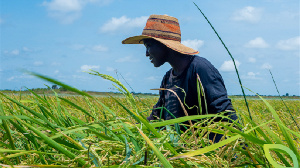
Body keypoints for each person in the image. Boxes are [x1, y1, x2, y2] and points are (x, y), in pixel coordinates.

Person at [122, 14, 237, 143]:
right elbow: (157, 115)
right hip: (178, 154)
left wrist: (241, 153)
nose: (146, 53)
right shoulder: (167, 78)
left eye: (148, 46)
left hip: (203, 153)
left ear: (164, 45)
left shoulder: (199, 69)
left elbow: (225, 114)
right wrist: (129, 131)